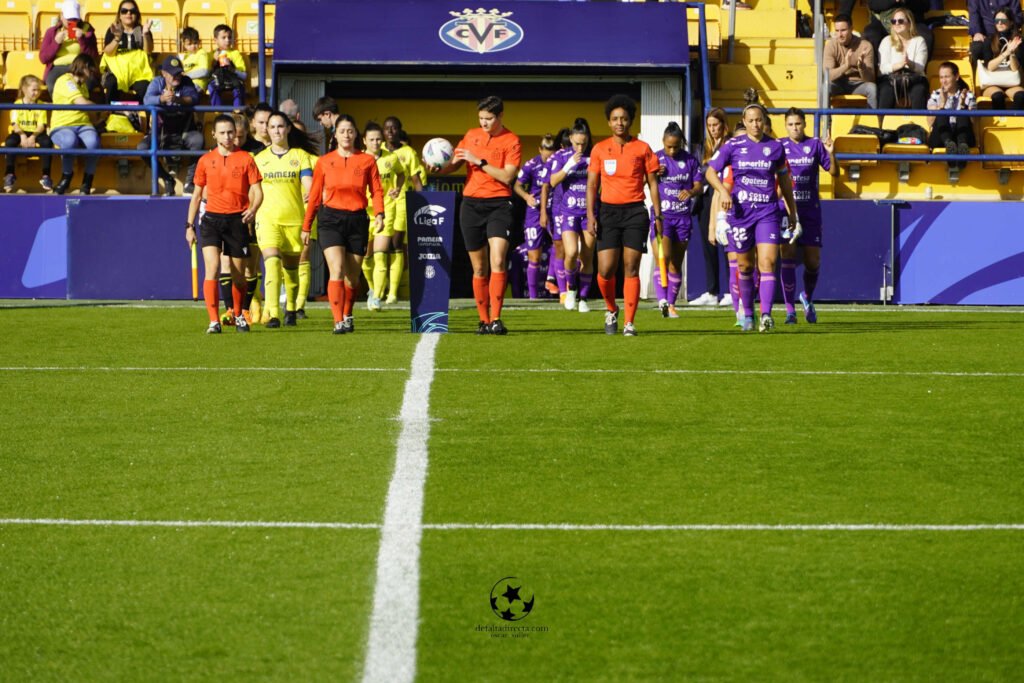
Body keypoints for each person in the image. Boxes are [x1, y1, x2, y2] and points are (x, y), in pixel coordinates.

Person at [429, 96, 521, 335]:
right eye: (481, 118)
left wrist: (479, 161)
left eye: (489, 118)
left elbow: (508, 177)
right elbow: (455, 164)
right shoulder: (471, 135)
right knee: (479, 268)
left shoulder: (512, 141)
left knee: (498, 259)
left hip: (499, 205)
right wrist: (438, 167)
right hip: (471, 205)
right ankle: (483, 320)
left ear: (500, 116)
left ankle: (496, 318)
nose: (484, 123)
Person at [705, 102, 798, 333]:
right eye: (751, 120)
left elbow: (784, 180)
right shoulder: (732, 146)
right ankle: (747, 313)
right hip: (741, 213)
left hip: (767, 212)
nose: (756, 124)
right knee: (745, 267)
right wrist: (724, 191)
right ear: (744, 122)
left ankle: (766, 314)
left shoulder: (775, 147)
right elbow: (709, 171)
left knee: (768, 262)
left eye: (759, 120)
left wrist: (793, 211)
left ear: (764, 122)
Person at [586, 94, 662, 337]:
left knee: (631, 267)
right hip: (607, 212)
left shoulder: (642, 149)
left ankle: (630, 322)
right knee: (606, 269)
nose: (620, 122)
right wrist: (591, 215)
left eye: (624, 119)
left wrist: (658, 215)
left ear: (631, 121)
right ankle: (611, 309)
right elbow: (591, 185)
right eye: (615, 119)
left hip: (634, 213)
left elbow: (652, 183)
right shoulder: (599, 149)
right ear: (609, 122)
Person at [302, 115, 384, 334]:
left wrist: (379, 214)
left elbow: (376, 190)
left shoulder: (367, 161)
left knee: (352, 276)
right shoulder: (324, 162)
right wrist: (306, 226)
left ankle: (348, 314)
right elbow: (315, 195)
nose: (346, 135)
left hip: (357, 220)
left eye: (350, 130)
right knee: (336, 270)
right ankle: (338, 320)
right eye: (342, 131)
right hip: (330, 220)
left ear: (356, 134)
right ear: (335, 134)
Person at [185, 114, 263, 334]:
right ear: (214, 134)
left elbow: (258, 191)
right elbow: (197, 195)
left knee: (239, 275)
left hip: (237, 220)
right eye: (223, 133)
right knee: (213, 268)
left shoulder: (246, 159)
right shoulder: (205, 160)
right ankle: (213, 321)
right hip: (211, 220)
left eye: (231, 132)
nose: (228, 137)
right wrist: (189, 225)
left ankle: (238, 313)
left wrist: (253, 209)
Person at [254, 111, 317, 327]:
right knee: (271, 262)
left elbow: (308, 182)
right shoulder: (259, 159)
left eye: (280, 126)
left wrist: (311, 191)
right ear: (267, 131)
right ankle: (272, 313)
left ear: (288, 129)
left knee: (291, 270)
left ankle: (290, 307)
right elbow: (253, 189)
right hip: (267, 219)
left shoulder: (300, 156)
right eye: (272, 127)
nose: (276, 131)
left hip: (294, 220)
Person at [779, 108, 835, 325]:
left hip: (810, 209)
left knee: (812, 261)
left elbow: (834, 172)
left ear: (804, 124)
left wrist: (831, 152)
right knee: (788, 257)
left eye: (799, 124)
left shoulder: (815, 145)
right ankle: (790, 310)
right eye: (791, 124)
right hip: (786, 209)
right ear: (786, 126)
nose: (795, 128)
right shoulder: (779, 147)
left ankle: (807, 298)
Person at [651, 121, 702, 319]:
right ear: (663, 142)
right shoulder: (656, 159)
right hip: (662, 216)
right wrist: (654, 174)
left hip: (682, 217)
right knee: (662, 258)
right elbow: (645, 181)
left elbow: (699, 185)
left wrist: (690, 191)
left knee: (675, 263)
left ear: (682, 143)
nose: (672, 150)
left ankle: (671, 305)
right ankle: (662, 300)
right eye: (668, 146)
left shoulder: (690, 161)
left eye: (676, 146)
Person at [548, 118, 596, 313]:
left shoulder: (594, 155)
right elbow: (552, 181)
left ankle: (584, 298)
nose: (580, 147)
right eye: (577, 143)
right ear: (570, 140)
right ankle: (571, 290)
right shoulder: (562, 156)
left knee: (587, 256)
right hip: (568, 212)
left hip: (589, 213)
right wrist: (568, 166)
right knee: (570, 253)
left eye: (583, 143)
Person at [138, 55, 202, 196]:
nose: (177, 76)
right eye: (173, 73)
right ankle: (167, 179)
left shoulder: (186, 82)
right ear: (164, 73)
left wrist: (178, 100)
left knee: (198, 140)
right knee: (142, 148)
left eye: (179, 72)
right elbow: (146, 100)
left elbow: (194, 98)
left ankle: (189, 183)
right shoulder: (157, 82)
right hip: (161, 132)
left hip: (184, 130)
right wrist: (161, 99)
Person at [361, 121, 406, 311]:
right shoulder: (359, 159)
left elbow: (401, 174)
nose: (375, 142)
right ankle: (373, 289)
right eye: (371, 139)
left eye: (378, 139)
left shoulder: (391, 158)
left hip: (386, 210)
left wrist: (397, 188)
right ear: (364, 140)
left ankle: (377, 297)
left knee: (380, 255)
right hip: (364, 212)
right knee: (365, 258)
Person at [382, 116, 426, 303]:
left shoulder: (408, 152)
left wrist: (422, 205)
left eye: (394, 128)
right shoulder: (378, 150)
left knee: (396, 244)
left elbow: (417, 180)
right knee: (377, 250)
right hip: (379, 205)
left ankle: (394, 293)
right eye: (387, 128)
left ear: (400, 130)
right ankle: (378, 289)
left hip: (401, 203)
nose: (390, 131)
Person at [513, 134, 556, 299]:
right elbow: (517, 185)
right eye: (546, 153)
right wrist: (526, 197)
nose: (549, 156)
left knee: (562, 247)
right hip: (534, 212)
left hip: (555, 210)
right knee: (534, 256)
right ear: (540, 150)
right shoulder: (531, 165)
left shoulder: (559, 163)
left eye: (551, 153)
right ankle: (532, 297)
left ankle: (560, 289)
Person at [50, 54, 101, 196]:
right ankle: (66, 177)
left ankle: (87, 182)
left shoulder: (83, 86)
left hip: (83, 124)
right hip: (62, 125)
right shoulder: (65, 81)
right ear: (83, 67)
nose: (91, 75)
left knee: (93, 143)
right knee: (69, 140)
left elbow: (87, 110)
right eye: (90, 71)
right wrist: (99, 107)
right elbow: (82, 103)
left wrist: (97, 119)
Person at [99, 0, 152, 134]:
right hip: (116, 71)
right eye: (124, 11)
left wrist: (145, 34)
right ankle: (110, 117)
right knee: (110, 82)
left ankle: (144, 122)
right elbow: (108, 51)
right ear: (119, 14)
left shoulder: (142, 29)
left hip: (137, 72)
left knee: (145, 87)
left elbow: (148, 50)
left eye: (132, 11)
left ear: (137, 14)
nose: (128, 14)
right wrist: (117, 38)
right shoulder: (113, 29)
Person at [697, 108, 730, 308]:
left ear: (723, 125)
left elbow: (718, 169)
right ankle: (712, 290)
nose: (712, 129)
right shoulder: (702, 147)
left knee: (728, 245)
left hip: (724, 196)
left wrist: (710, 166)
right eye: (709, 126)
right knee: (708, 245)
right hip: (705, 198)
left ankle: (730, 290)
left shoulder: (729, 144)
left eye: (715, 125)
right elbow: (700, 171)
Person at [4, 75, 54, 193]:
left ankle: (46, 176)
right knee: (10, 142)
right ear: (24, 90)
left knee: (47, 142)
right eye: (33, 90)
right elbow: (15, 124)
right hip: (20, 131)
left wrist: (32, 137)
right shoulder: (17, 104)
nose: (36, 93)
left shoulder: (40, 104)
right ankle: (9, 174)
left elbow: (41, 125)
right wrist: (22, 136)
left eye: (38, 90)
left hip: (36, 132)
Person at [39, 0, 99, 95]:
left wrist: (82, 39)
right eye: (69, 18)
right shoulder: (52, 32)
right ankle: (61, 107)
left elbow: (93, 56)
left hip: (81, 66)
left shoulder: (87, 30)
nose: (71, 22)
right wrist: (56, 42)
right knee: (51, 83)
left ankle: (79, 106)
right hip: (58, 67)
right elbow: (43, 58)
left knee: (89, 82)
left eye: (75, 19)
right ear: (61, 16)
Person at [927, 62, 978, 170]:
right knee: (941, 112)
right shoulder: (936, 94)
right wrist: (942, 104)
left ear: (956, 77)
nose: (943, 81)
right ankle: (949, 145)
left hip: (962, 135)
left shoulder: (968, 94)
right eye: (941, 77)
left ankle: (962, 146)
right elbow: (930, 123)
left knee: (962, 112)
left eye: (947, 77)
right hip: (940, 137)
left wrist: (963, 104)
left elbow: (975, 121)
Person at [877, 8, 930, 112]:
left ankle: (918, 124)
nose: (897, 24)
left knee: (919, 90)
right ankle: (882, 124)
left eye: (900, 21)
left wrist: (909, 63)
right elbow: (882, 69)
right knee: (886, 90)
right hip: (891, 79)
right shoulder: (886, 41)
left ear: (910, 23)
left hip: (913, 78)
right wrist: (899, 65)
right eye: (894, 21)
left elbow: (920, 68)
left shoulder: (919, 41)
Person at [823, 13, 878, 108]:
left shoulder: (865, 46)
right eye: (837, 31)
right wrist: (846, 66)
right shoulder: (831, 45)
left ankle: (872, 121)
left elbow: (870, 79)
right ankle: (826, 121)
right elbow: (828, 76)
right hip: (838, 83)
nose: (840, 35)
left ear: (851, 29)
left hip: (859, 83)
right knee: (825, 88)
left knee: (872, 89)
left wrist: (862, 67)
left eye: (843, 30)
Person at [977, 8, 1024, 110]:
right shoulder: (989, 41)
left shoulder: (1018, 41)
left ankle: (1013, 123)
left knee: (1021, 96)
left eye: (1003, 21)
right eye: (996, 21)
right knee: (998, 96)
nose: (999, 23)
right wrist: (1006, 52)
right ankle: (1001, 122)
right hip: (992, 83)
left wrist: (1012, 53)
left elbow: (1015, 69)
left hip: (1011, 82)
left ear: (1011, 23)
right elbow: (990, 67)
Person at [861, 0, 933, 58]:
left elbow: (925, 5)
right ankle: (876, 73)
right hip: (882, 22)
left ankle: (918, 73)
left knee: (926, 36)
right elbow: (872, 4)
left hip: (911, 22)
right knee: (870, 35)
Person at [969, 0, 1023, 67]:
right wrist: (977, 32)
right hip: (985, 35)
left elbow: (1017, 17)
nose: (999, 23)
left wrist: (1006, 24)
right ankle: (978, 73)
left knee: (1018, 46)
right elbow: (974, 14)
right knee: (976, 48)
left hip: (1008, 33)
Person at [208, 25, 247, 107]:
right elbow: (208, 73)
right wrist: (214, 61)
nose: (227, 40)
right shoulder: (211, 54)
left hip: (232, 80)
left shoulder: (235, 53)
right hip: (218, 80)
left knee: (239, 88)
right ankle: (217, 111)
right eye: (224, 37)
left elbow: (244, 76)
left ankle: (238, 112)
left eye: (229, 37)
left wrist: (231, 68)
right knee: (211, 86)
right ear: (215, 40)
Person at [180, 27, 210, 95]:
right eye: (189, 44)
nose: (193, 46)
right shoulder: (185, 57)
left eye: (195, 43)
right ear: (184, 45)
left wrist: (186, 75)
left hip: (198, 84)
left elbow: (204, 72)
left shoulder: (201, 53)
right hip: (186, 84)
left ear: (199, 42)